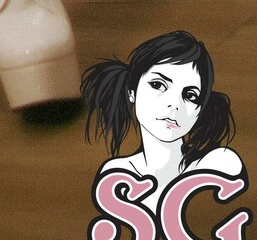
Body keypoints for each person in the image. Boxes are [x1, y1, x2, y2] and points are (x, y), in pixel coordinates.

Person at [82, 32, 242, 209]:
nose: (175, 105)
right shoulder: (117, 174)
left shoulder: (218, 163)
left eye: (190, 95)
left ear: (200, 110)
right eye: (158, 85)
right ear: (131, 92)